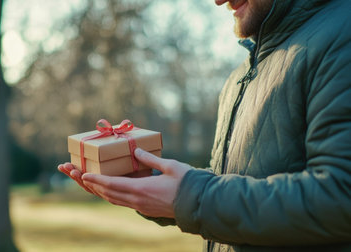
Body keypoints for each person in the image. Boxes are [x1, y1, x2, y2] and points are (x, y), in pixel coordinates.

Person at [58, 0, 351, 251]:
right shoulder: (243, 73)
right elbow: (230, 184)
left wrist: (189, 196)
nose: (218, 1)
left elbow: (341, 196)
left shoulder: (342, 33)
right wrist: (150, 188)